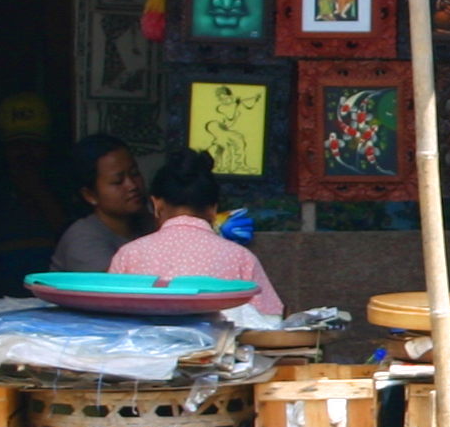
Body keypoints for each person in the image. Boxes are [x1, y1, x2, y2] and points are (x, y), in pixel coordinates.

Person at [110, 148, 283, 315]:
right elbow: (269, 321)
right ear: (214, 210)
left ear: (157, 205)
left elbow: (108, 322)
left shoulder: (128, 255)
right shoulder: (242, 258)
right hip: (221, 345)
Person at [49, 134, 152, 275]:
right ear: (90, 195)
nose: (132, 185)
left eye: (134, 173)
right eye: (118, 181)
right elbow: (116, 290)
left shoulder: (147, 223)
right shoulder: (83, 239)